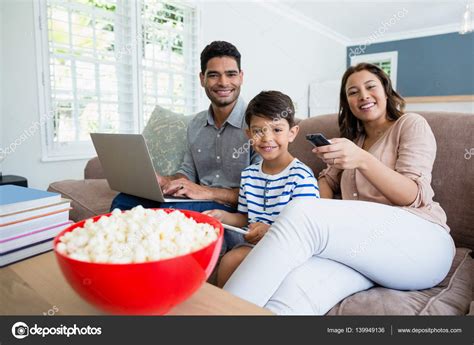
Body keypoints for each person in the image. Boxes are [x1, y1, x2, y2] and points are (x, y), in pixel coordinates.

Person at [223, 63, 456, 315]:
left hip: (422, 244)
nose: (363, 96)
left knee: (302, 211)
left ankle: (213, 315)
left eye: (370, 87)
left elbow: (413, 195)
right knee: (286, 302)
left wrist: (363, 160)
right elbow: (325, 185)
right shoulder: (353, 141)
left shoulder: (410, 124)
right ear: (347, 102)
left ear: (386, 91)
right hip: (366, 256)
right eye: (353, 92)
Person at [110, 41, 260, 250]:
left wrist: (207, 192)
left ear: (241, 76)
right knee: (124, 201)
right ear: (202, 79)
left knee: (168, 213)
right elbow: (187, 172)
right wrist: (164, 181)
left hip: (232, 209)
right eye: (214, 75)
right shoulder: (196, 125)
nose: (223, 82)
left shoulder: (259, 124)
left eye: (231, 74)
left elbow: (261, 190)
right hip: (198, 199)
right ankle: (117, 257)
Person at [204, 91, 320, 287]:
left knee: (232, 260)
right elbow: (244, 217)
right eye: (259, 131)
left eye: (276, 130)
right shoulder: (249, 175)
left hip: (288, 249)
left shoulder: (301, 176)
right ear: (249, 134)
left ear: (292, 133)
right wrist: (222, 217)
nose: (267, 138)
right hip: (256, 246)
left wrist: (271, 230)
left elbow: (306, 231)